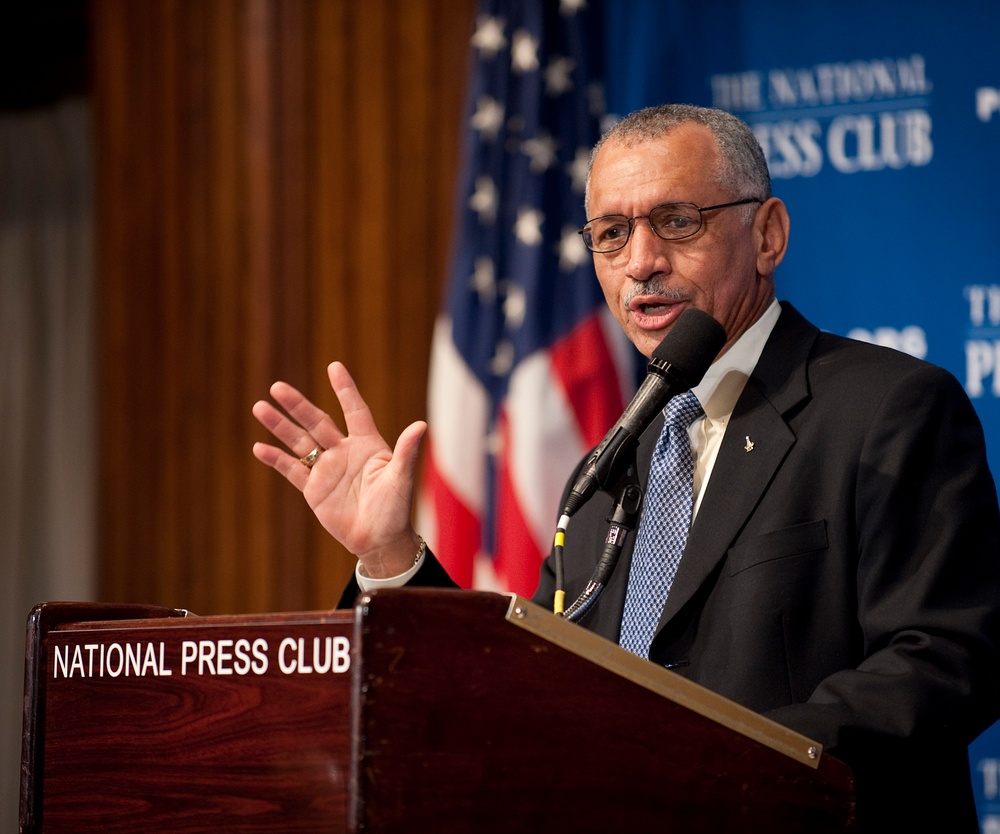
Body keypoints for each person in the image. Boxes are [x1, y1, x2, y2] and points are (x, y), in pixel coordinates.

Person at [252, 104, 1000, 830]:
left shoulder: (886, 409)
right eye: (612, 234)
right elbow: (523, 687)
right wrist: (390, 553)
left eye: (678, 222)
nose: (641, 262)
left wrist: (704, 771)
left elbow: (944, 660)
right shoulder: (607, 468)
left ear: (767, 235)